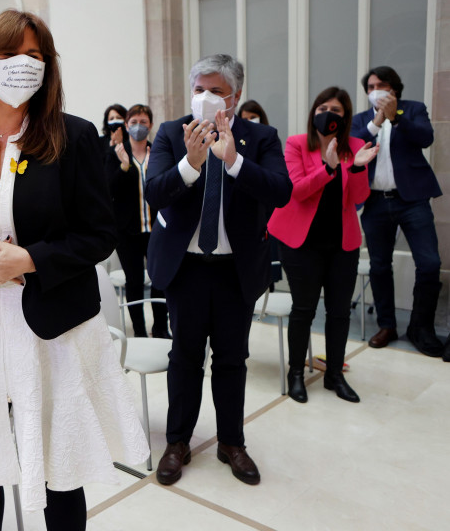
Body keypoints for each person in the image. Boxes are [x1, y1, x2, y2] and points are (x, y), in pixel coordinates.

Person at [0, 9, 148, 531]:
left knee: (58, 465)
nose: (20, 66)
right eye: (7, 56)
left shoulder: (73, 137)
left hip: (51, 321)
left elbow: (100, 233)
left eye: (34, 57)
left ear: (47, 67)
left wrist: (31, 260)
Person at [146, 54, 292, 487]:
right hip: (186, 268)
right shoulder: (173, 133)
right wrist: (190, 164)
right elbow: (153, 192)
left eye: (215, 91)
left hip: (236, 269)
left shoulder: (260, 137)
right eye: (198, 89)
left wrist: (234, 162)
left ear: (235, 97)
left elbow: (281, 191)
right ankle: (177, 442)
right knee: (185, 358)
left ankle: (232, 442)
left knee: (232, 360)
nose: (205, 98)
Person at [268, 87, 378, 403]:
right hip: (302, 242)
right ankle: (296, 374)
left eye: (337, 109)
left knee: (339, 311)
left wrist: (355, 167)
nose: (328, 113)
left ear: (345, 118)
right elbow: (298, 191)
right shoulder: (297, 144)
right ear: (314, 112)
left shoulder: (357, 146)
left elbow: (359, 198)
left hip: (341, 242)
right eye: (322, 107)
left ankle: (334, 375)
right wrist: (328, 168)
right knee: (303, 308)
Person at [350, 66, 445, 359]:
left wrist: (395, 117)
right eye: (371, 86)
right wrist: (378, 121)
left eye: (382, 85)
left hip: (412, 200)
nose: (376, 90)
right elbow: (354, 146)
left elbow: (425, 138)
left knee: (429, 263)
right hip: (375, 202)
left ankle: (421, 328)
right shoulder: (362, 120)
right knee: (379, 266)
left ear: (394, 89)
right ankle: (387, 325)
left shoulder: (413, 109)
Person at [106, 103, 169, 338]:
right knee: (134, 281)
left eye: (143, 122)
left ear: (151, 125)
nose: (138, 127)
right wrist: (124, 167)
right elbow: (107, 189)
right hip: (127, 232)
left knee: (160, 280)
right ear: (126, 125)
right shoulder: (116, 153)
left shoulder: (159, 153)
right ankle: (140, 332)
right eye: (133, 123)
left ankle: (161, 328)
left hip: (156, 229)